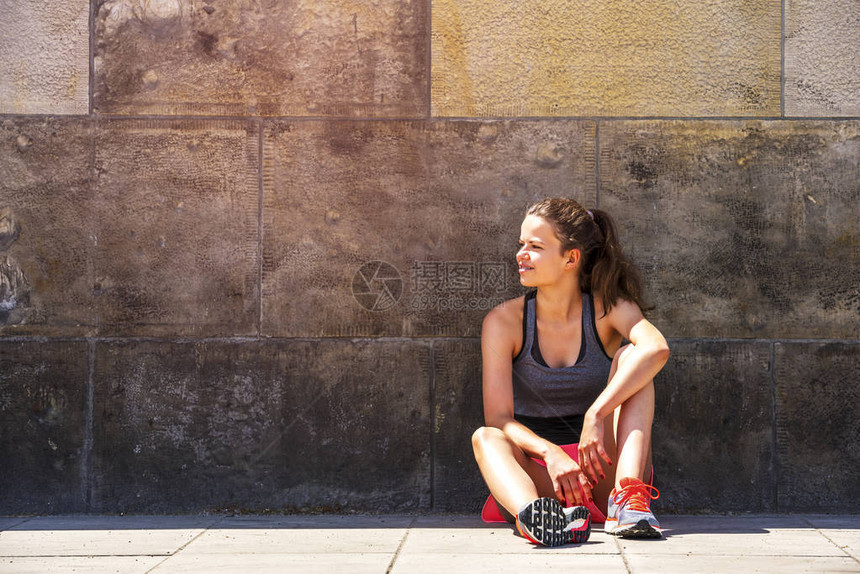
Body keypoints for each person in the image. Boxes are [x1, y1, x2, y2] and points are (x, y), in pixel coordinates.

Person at [472, 198, 670, 546]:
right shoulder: (503, 322)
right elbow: (499, 417)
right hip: (545, 477)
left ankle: (628, 503)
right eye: (521, 244)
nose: (521, 254)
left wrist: (597, 414)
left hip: (602, 471)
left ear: (570, 258)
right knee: (485, 437)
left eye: (535, 246)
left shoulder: (609, 309)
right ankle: (536, 517)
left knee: (633, 357)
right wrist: (550, 453)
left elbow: (657, 348)